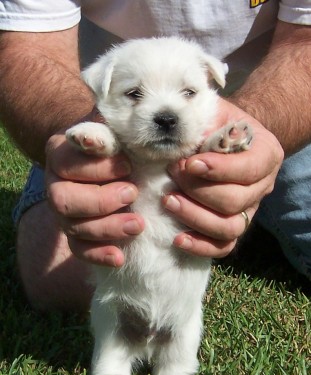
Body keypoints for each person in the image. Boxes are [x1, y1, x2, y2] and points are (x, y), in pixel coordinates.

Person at [0, 1, 310, 313]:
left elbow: (305, 44)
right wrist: (83, 133)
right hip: (97, 115)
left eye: (186, 92)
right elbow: (26, 47)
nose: (164, 112)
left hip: (272, 106)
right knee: (62, 276)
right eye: (138, 94)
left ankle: (259, 218)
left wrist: (250, 129)